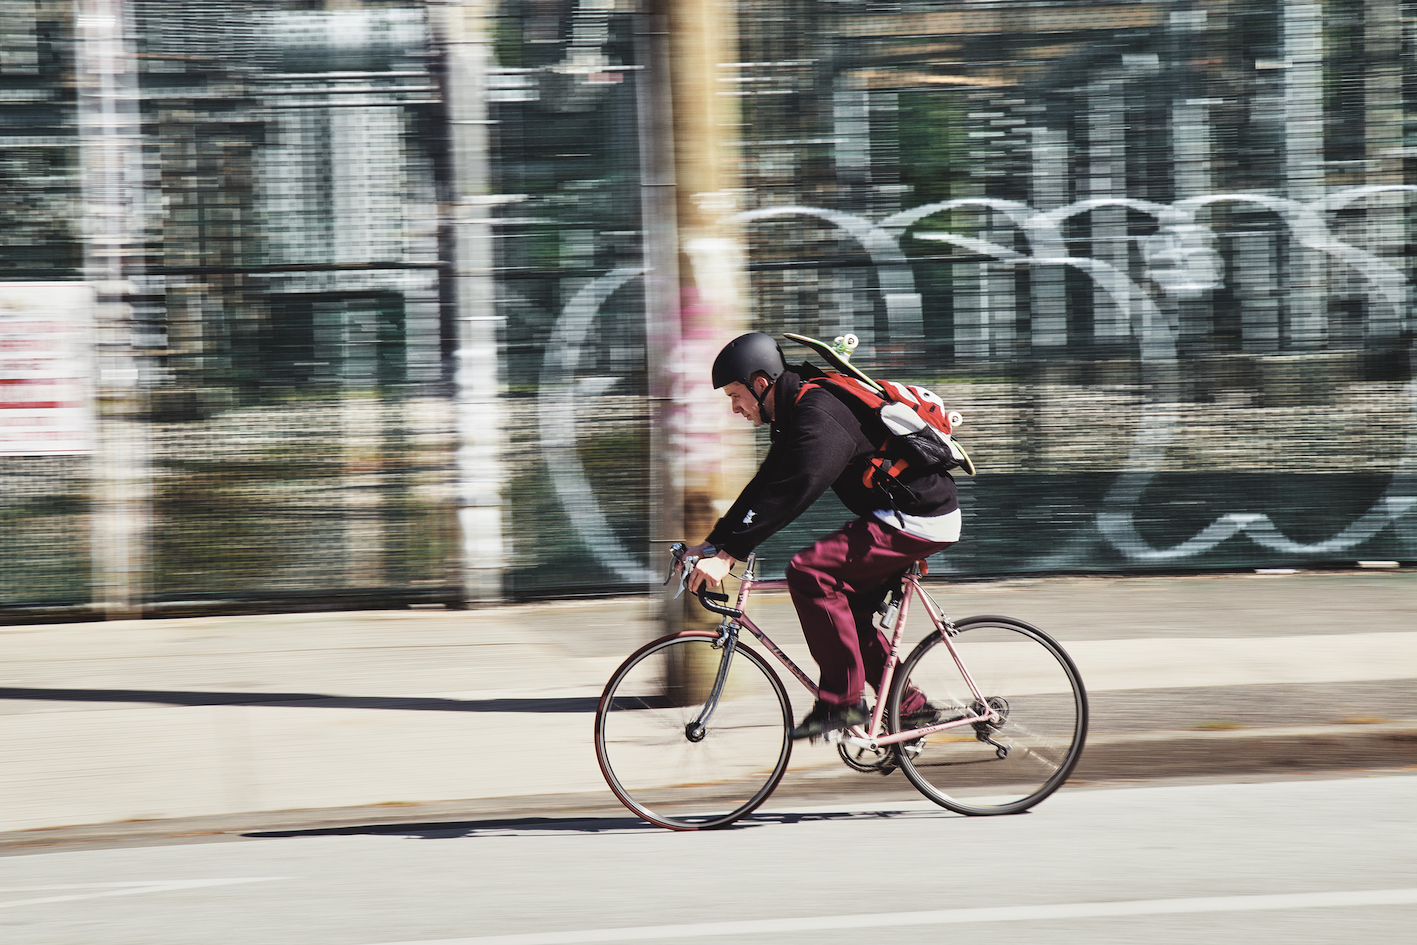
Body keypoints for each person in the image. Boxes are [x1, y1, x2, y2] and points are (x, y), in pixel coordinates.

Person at [684, 331, 961, 740]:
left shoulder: (818, 412)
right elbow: (766, 484)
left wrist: (729, 555)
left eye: (734, 395)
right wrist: (716, 543)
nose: (734, 408)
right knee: (846, 616)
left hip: (918, 517)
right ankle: (910, 708)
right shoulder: (795, 410)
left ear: (760, 384)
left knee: (810, 573)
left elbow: (798, 486)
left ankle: (842, 705)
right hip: (900, 515)